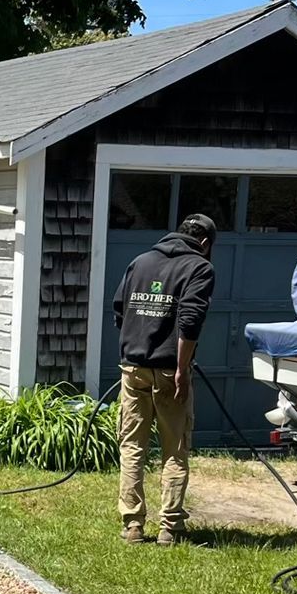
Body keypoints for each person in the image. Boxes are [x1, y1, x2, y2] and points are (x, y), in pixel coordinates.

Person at [112, 212, 217, 547]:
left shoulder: (140, 262)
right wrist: (182, 369)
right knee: (175, 448)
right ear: (204, 243)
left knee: (132, 446)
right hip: (171, 371)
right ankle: (169, 528)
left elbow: (120, 310)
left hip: (133, 368)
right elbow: (190, 321)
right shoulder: (199, 267)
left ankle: (132, 525)